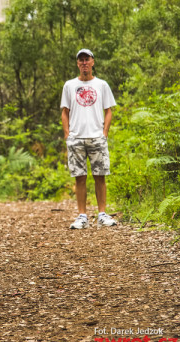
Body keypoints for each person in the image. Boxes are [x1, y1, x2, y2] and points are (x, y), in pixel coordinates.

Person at [60, 49, 117, 229]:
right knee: (80, 177)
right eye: (81, 60)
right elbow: (65, 111)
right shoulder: (69, 85)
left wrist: (104, 133)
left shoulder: (101, 85)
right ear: (77, 64)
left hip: (96, 137)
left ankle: (102, 214)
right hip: (76, 138)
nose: (84, 63)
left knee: (100, 176)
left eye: (87, 59)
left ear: (93, 62)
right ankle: (82, 216)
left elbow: (108, 110)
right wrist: (67, 134)